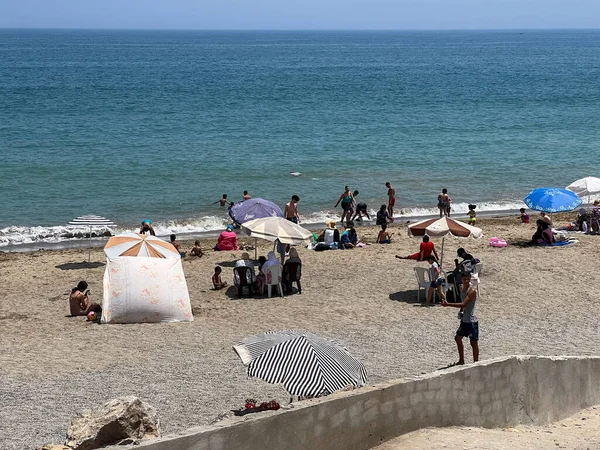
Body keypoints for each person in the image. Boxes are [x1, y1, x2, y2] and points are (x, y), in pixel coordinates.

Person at [442, 271, 479, 365]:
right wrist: (461, 311)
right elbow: (463, 304)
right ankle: (461, 360)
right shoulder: (462, 288)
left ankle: (476, 363)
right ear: (461, 279)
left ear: (470, 279)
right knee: (458, 338)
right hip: (464, 320)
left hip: (471, 321)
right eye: (464, 278)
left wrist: (448, 304)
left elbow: (463, 303)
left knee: (473, 343)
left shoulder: (472, 291)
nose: (466, 280)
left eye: (468, 278)